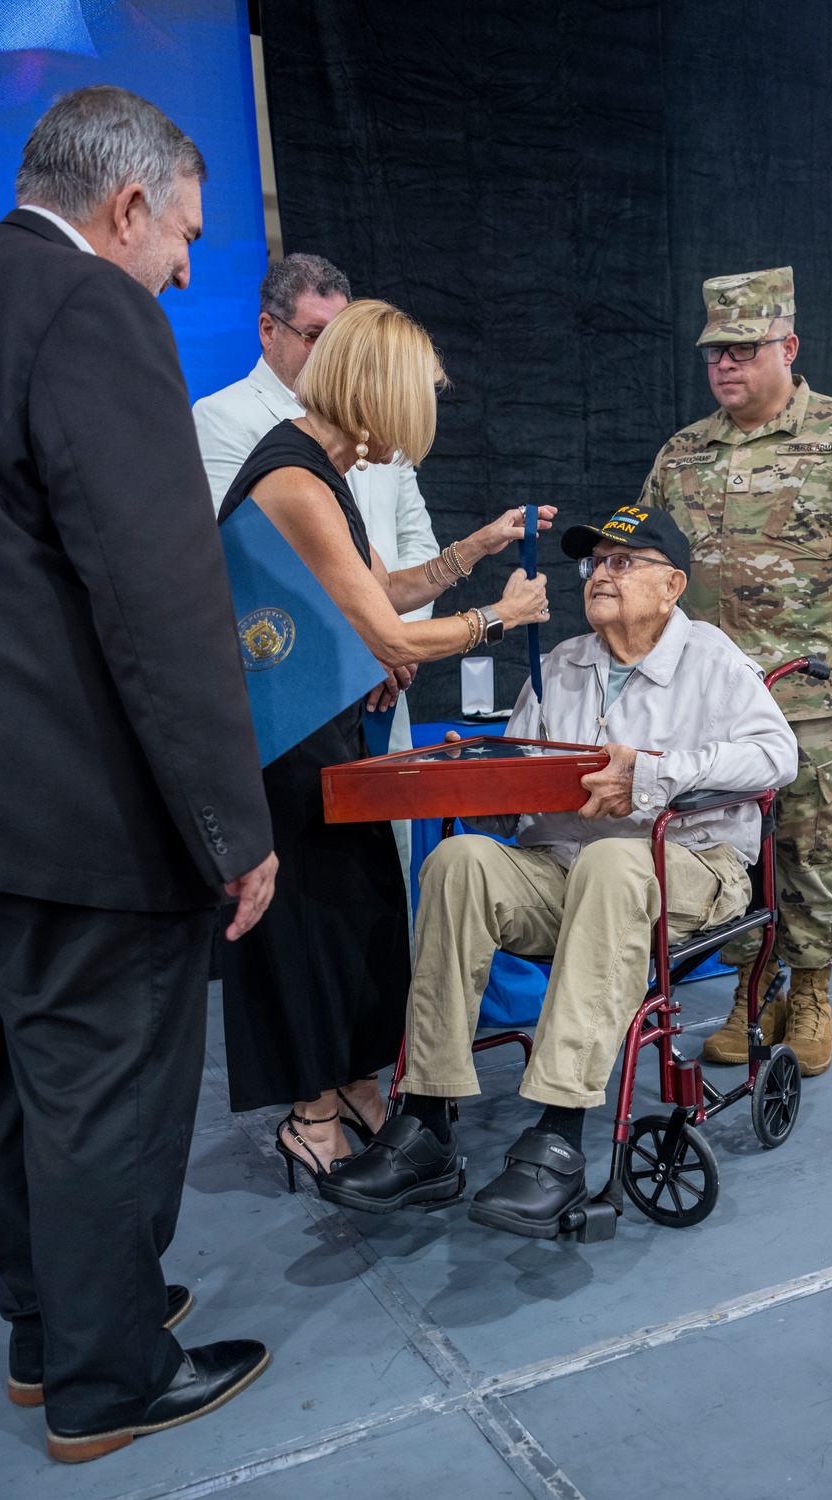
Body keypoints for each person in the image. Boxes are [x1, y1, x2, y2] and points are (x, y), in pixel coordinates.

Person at [0, 86, 279, 1464]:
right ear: (126, 206)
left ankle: (50, 1336)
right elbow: (160, 604)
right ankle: (110, 1377)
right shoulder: (99, 312)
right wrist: (233, 825)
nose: (184, 267)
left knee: (16, 1087)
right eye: (186, 238)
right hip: (85, 811)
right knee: (106, 1089)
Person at [321, 508, 798, 1239]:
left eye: (622, 562)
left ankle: (560, 1132)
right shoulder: (561, 662)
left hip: (689, 868)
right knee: (460, 860)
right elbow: (523, 795)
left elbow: (776, 758)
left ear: (671, 585)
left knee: (613, 857)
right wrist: (476, 782)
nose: (600, 574)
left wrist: (656, 774)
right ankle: (425, 1124)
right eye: (595, 563)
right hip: (565, 868)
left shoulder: (711, 659)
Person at [217, 297, 553, 1187]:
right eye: (422, 393)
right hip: (282, 744)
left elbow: (385, 590)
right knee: (311, 930)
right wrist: (498, 616)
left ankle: (359, 1082)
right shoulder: (290, 475)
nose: (427, 413)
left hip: (329, 734)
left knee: (363, 913)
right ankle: (311, 1115)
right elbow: (390, 637)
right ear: (384, 390)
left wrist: (474, 548)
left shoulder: (324, 473)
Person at [639, 267, 832, 1077]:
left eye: (743, 349)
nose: (725, 366)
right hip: (709, 713)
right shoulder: (683, 454)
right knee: (728, 854)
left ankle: (809, 993)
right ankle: (750, 990)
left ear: (788, 347)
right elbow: (647, 569)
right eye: (714, 354)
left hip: (817, 706)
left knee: (808, 852)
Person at [193, 253, 440, 898]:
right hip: (302, 688)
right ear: (267, 330)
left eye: (338, 336)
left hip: (384, 680)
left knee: (380, 878)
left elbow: (410, 540)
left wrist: (397, 642)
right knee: (318, 893)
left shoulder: (364, 428)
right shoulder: (227, 424)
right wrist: (385, 637)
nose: (327, 352)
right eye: (313, 335)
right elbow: (254, 571)